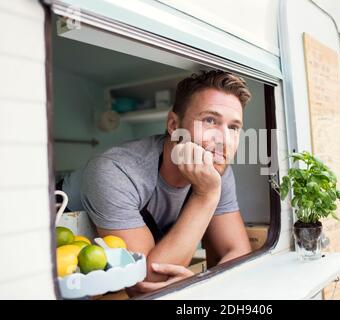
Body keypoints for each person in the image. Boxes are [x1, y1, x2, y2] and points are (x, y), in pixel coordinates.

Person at [60, 70, 252, 294]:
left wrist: (203, 282)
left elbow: (238, 250)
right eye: (210, 120)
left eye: (233, 127)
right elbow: (146, 282)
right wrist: (206, 195)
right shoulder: (115, 170)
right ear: (173, 124)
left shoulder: (216, 170)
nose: (224, 141)